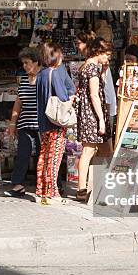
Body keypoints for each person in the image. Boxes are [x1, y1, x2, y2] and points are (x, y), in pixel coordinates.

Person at [36, 41, 76, 204]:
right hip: (56, 123)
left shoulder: (42, 74)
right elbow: (63, 96)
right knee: (54, 157)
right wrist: (71, 98)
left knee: (44, 155)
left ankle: (41, 190)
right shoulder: (55, 73)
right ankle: (52, 192)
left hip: (43, 122)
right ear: (56, 56)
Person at [75, 38, 113, 202]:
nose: (108, 58)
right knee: (89, 150)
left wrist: (104, 72)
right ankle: (81, 189)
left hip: (89, 113)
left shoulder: (87, 66)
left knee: (105, 151)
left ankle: (100, 185)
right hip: (92, 115)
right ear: (99, 52)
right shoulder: (91, 68)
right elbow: (94, 95)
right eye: (107, 55)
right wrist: (101, 120)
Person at [4, 47, 41, 197]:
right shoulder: (25, 79)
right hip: (25, 123)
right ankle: (18, 185)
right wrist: (13, 123)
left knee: (43, 155)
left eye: (27, 63)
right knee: (22, 154)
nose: (25, 66)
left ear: (36, 62)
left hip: (41, 124)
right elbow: (18, 102)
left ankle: (48, 184)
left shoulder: (44, 77)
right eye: (23, 63)